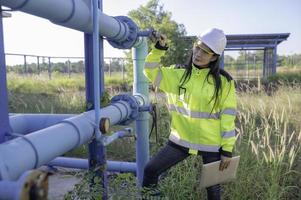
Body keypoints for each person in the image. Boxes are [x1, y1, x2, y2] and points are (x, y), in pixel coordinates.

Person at [142, 28, 237, 200]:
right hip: (180, 140)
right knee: (150, 170)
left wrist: (227, 150)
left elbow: (228, 117)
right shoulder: (178, 74)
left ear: (214, 57)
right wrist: (159, 49)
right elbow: (150, 71)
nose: (198, 53)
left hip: (212, 145)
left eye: (205, 51)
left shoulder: (225, 83)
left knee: (213, 191)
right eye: (197, 47)